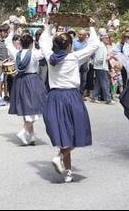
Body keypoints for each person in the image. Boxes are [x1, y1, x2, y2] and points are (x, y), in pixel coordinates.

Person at [39, 18, 101, 183]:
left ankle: (67, 171)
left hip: (53, 97)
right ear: (68, 46)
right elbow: (94, 46)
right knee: (78, 131)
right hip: (71, 97)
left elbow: (42, 41)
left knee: (63, 134)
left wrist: (48, 26)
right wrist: (92, 27)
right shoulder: (73, 57)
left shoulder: (50, 56)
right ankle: (60, 156)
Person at [6, 26, 47, 146]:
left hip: (19, 81)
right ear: (31, 44)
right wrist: (46, 32)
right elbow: (45, 49)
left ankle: (31, 136)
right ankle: (23, 131)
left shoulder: (16, 53)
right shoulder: (34, 54)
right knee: (38, 107)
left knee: (26, 108)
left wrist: (12, 29)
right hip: (32, 80)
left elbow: (8, 43)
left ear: (20, 43)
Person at [92, 31, 114, 104]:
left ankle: (94, 97)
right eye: (106, 38)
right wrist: (107, 58)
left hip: (100, 67)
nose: (108, 39)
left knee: (98, 83)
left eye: (108, 38)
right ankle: (108, 99)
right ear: (102, 38)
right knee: (105, 83)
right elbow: (99, 58)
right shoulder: (101, 46)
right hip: (101, 67)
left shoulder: (103, 46)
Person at [73, 29, 90, 98]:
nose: (81, 36)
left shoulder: (88, 43)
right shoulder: (74, 41)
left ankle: (80, 94)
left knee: (84, 79)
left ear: (85, 36)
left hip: (85, 62)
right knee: (75, 78)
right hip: (76, 61)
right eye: (80, 34)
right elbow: (71, 50)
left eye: (83, 35)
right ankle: (75, 93)